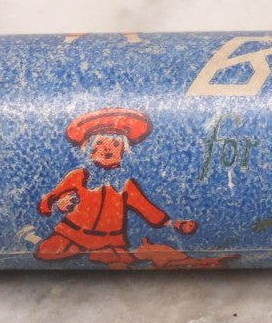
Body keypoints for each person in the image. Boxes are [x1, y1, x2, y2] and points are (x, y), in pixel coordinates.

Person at [35, 108, 202, 268]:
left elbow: (147, 209)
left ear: (123, 151)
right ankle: (33, 239)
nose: (107, 148)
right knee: (46, 252)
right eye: (100, 143)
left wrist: (174, 223)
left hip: (109, 241)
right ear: (91, 150)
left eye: (115, 144)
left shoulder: (125, 185)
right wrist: (58, 205)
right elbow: (51, 198)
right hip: (71, 234)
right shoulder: (78, 176)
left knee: (119, 262)